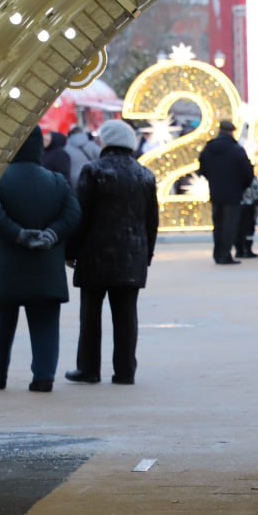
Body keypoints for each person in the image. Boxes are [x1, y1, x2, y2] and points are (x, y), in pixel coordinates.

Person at [0, 126, 81, 393]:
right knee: (45, 323)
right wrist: (51, 234)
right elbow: (73, 213)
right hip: (45, 266)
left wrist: (19, 235)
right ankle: (43, 376)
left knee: (0, 323)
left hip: (5, 267)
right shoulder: (56, 181)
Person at [63, 120, 159, 386]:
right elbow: (152, 220)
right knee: (127, 315)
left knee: (91, 314)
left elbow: (81, 216)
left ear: (106, 141)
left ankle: (89, 369)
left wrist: (70, 252)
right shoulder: (144, 174)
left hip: (95, 255)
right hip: (132, 256)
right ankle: (125, 371)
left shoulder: (93, 171)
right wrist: (146, 255)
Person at [197, 119, 254, 265]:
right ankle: (225, 255)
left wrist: (213, 179)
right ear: (231, 132)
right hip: (234, 193)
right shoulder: (236, 149)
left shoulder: (209, 148)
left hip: (215, 191)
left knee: (218, 224)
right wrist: (243, 185)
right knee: (230, 225)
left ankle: (217, 254)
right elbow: (247, 172)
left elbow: (201, 168)